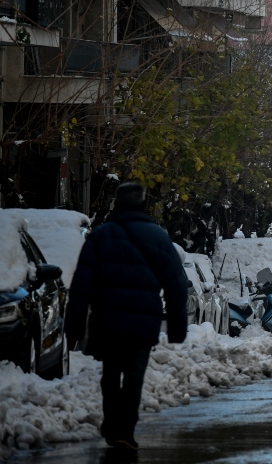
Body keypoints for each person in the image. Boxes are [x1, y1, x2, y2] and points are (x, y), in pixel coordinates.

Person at [65, 182, 188, 456]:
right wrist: (178, 328)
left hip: (107, 320)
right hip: (143, 322)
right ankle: (126, 431)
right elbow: (177, 284)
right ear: (144, 204)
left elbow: (81, 285)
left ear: (116, 204)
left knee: (110, 374)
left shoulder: (100, 236)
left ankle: (112, 425)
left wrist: (72, 326)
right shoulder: (157, 237)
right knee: (134, 375)